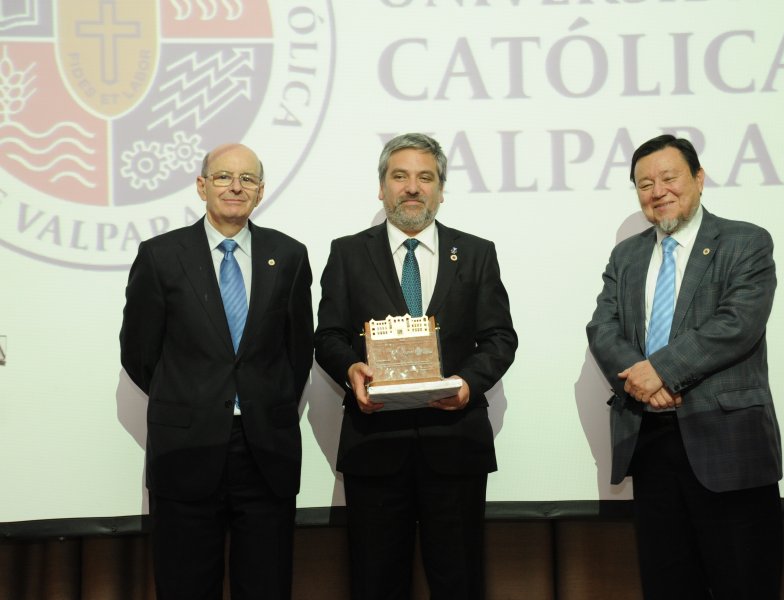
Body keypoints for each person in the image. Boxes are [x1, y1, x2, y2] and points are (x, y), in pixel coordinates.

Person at [314, 133, 517, 600]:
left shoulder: (476, 252)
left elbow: (500, 338)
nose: (412, 187)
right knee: (376, 581)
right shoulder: (347, 253)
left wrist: (467, 383)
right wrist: (351, 369)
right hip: (375, 443)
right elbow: (328, 336)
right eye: (399, 176)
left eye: (425, 177)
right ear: (381, 187)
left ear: (441, 190)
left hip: (455, 442)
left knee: (458, 580)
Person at [586, 134, 783, 599]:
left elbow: (738, 323)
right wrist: (643, 381)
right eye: (644, 184)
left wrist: (660, 370)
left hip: (729, 446)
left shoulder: (746, 241)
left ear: (698, 178)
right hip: (651, 444)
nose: (658, 192)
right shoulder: (626, 255)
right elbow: (603, 327)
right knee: (667, 584)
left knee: (745, 583)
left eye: (669, 178)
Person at [120, 143, 314, 600]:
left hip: (265, 451)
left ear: (261, 191)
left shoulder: (288, 255)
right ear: (201, 186)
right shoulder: (161, 255)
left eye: (248, 179)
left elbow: (297, 350)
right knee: (185, 585)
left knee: (266, 585)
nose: (235, 187)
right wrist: (193, 398)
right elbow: (139, 353)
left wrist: (262, 400)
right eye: (224, 176)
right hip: (186, 449)